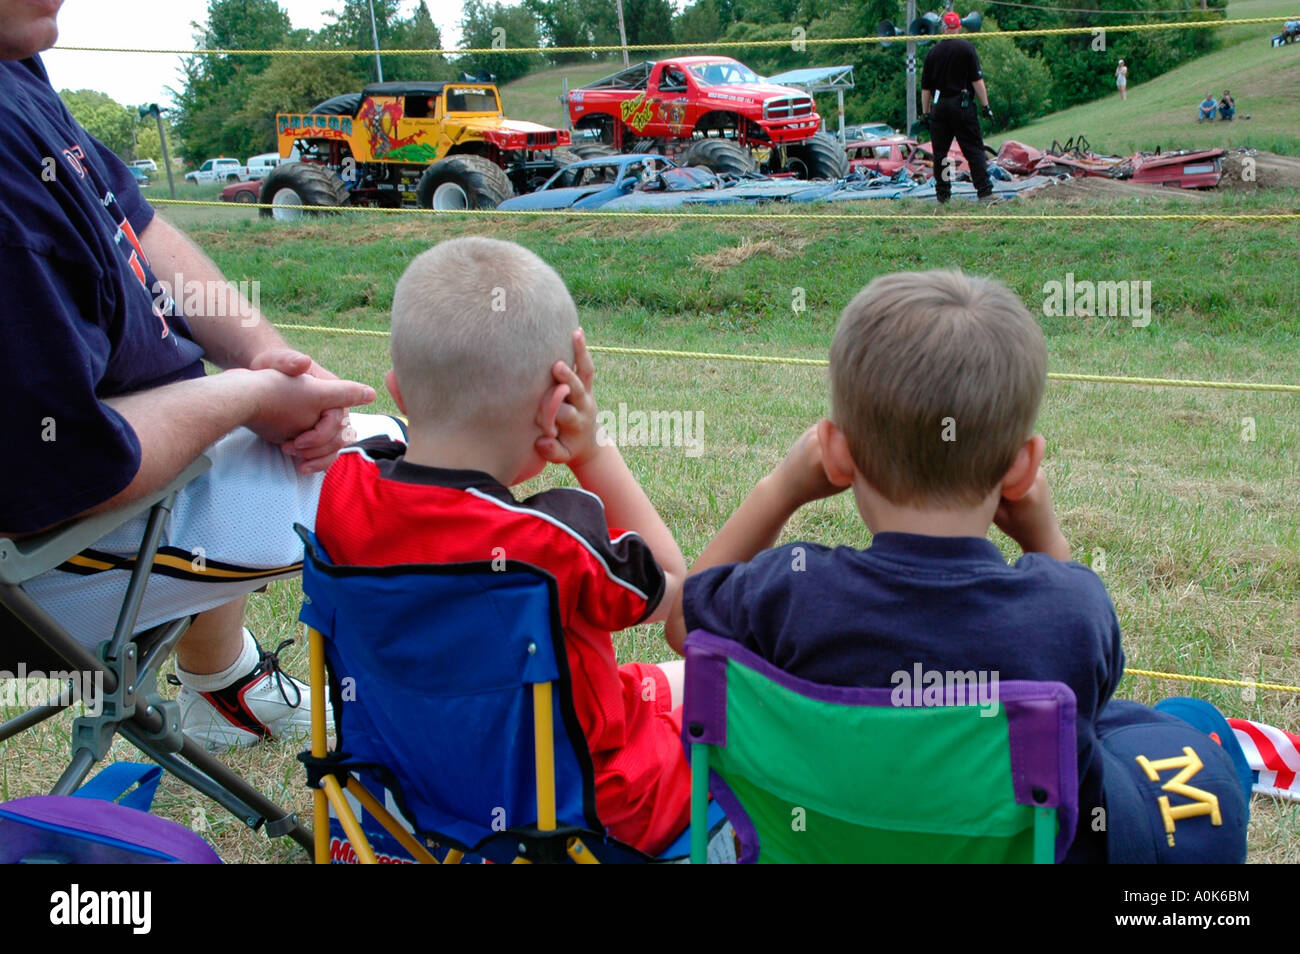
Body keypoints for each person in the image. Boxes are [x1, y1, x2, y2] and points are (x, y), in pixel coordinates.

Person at [665, 270, 1250, 863]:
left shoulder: (785, 594)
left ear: (837, 454)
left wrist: (779, 489)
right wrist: (1045, 537)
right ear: (1023, 468)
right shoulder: (1068, 609)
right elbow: (1088, 698)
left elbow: (682, 625)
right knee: (1195, 727)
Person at [0, 0, 405, 750]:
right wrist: (247, 396)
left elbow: (135, 223)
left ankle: (222, 685)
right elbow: (67, 467)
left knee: (266, 438)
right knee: (418, 462)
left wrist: (274, 361)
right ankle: (431, 732)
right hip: (46, 556)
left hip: (128, 471)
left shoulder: (10, 56)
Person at [313, 237, 693, 856]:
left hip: (422, 786)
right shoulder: (551, 542)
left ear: (398, 394)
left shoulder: (342, 490)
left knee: (665, 681)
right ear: (558, 407)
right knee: (744, 702)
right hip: (591, 805)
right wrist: (592, 451)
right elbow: (679, 594)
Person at [919, 10, 994, 203]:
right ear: (959, 27)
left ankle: (943, 196)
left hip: (940, 107)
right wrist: (986, 106)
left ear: (943, 28)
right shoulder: (967, 48)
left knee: (941, 155)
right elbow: (977, 81)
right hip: (962, 105)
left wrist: (926, 113)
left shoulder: (932, 53)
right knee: (974, 150)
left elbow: (926, 89)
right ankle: (984, 192)